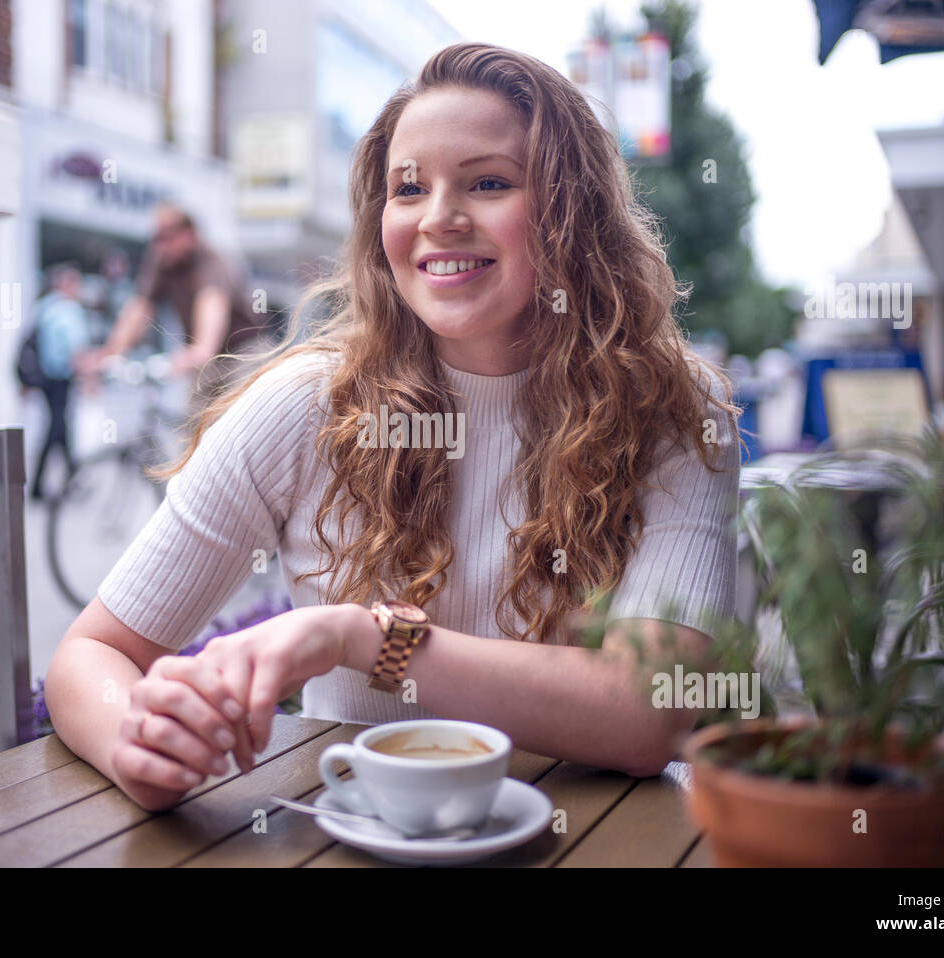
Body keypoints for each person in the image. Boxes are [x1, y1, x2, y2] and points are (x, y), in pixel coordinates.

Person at [45, 43, 744, 812]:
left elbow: (647, 713)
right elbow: (93, 654)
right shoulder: (303, 406)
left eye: (487, 182)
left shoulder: (675, 412)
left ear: (570, 209)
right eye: (408, 188)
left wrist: (365, 639)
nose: (439, 218)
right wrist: (133, 741)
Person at [80, 204, 272, 409]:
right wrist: (112, 352)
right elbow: (140, 307)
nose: (161, 246)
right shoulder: (162, 261)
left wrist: (195, 352)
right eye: (157, 239)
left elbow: (211, 307)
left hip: (245, 350)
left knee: (241, 415)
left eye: (168, 238)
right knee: (196, 422)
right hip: (208, 357)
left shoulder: (211, 261)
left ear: (189, 235)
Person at [30, 264, 90, 501]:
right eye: (76, 283)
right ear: (66, 285)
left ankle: (72, 476)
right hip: (62, 378)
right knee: (57, 428)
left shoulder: (44, 307)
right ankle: (40, 484)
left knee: (60, 427)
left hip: (46, 379)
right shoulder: (68, 309)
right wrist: (89, 377)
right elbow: (77, 347)